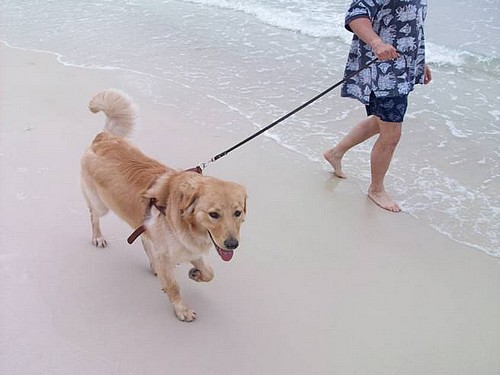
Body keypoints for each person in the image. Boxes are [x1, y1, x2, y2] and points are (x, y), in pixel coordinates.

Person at [324, 0, 432, 212]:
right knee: (391, 134)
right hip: (384, 71)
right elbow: (356, 15)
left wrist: (420, 61)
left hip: (403, 69)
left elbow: (412, 25)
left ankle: (335, 153)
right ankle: (376, 189)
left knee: (381, 122)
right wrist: (377, 43)